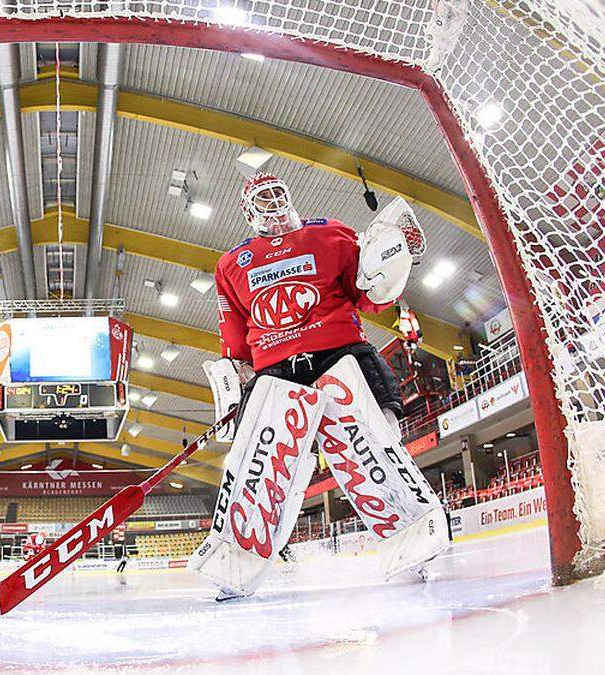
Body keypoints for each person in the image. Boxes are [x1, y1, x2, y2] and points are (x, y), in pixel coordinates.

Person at [189, 172, 449, 601]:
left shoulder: (333, 234)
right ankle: (236, 559)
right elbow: (233, 329)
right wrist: (236, 371)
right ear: (247, 209)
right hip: (274, 369)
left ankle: (412, 541)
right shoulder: (231, 264)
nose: (272, 202)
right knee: (257, 462)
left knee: (376, 440)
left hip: (340, 350)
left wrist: (392, 265)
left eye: (278, 192)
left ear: (289, 195)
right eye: (263, 196)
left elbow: (369, 296)